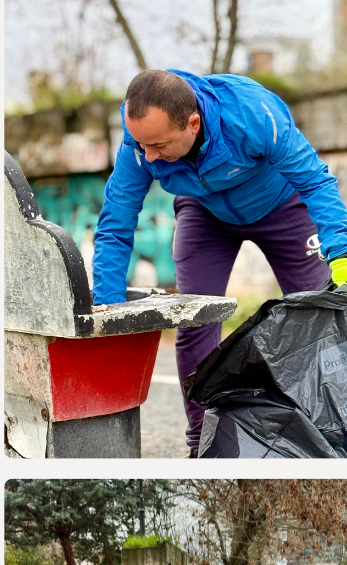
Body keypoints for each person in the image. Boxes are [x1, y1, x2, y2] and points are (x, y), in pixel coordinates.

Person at [94, 69, 343, 453]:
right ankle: (200, 441)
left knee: (317, 322)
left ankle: (329, 435)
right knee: (195, 320)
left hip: (283, 206)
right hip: (204, 213)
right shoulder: (139, 141)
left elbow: (315, 182)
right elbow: (117, 219)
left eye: (158, 145)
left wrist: (342, 256)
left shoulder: (253, 114)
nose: (147, 156)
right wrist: (108, 307)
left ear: (193, 123)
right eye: (140, 144)